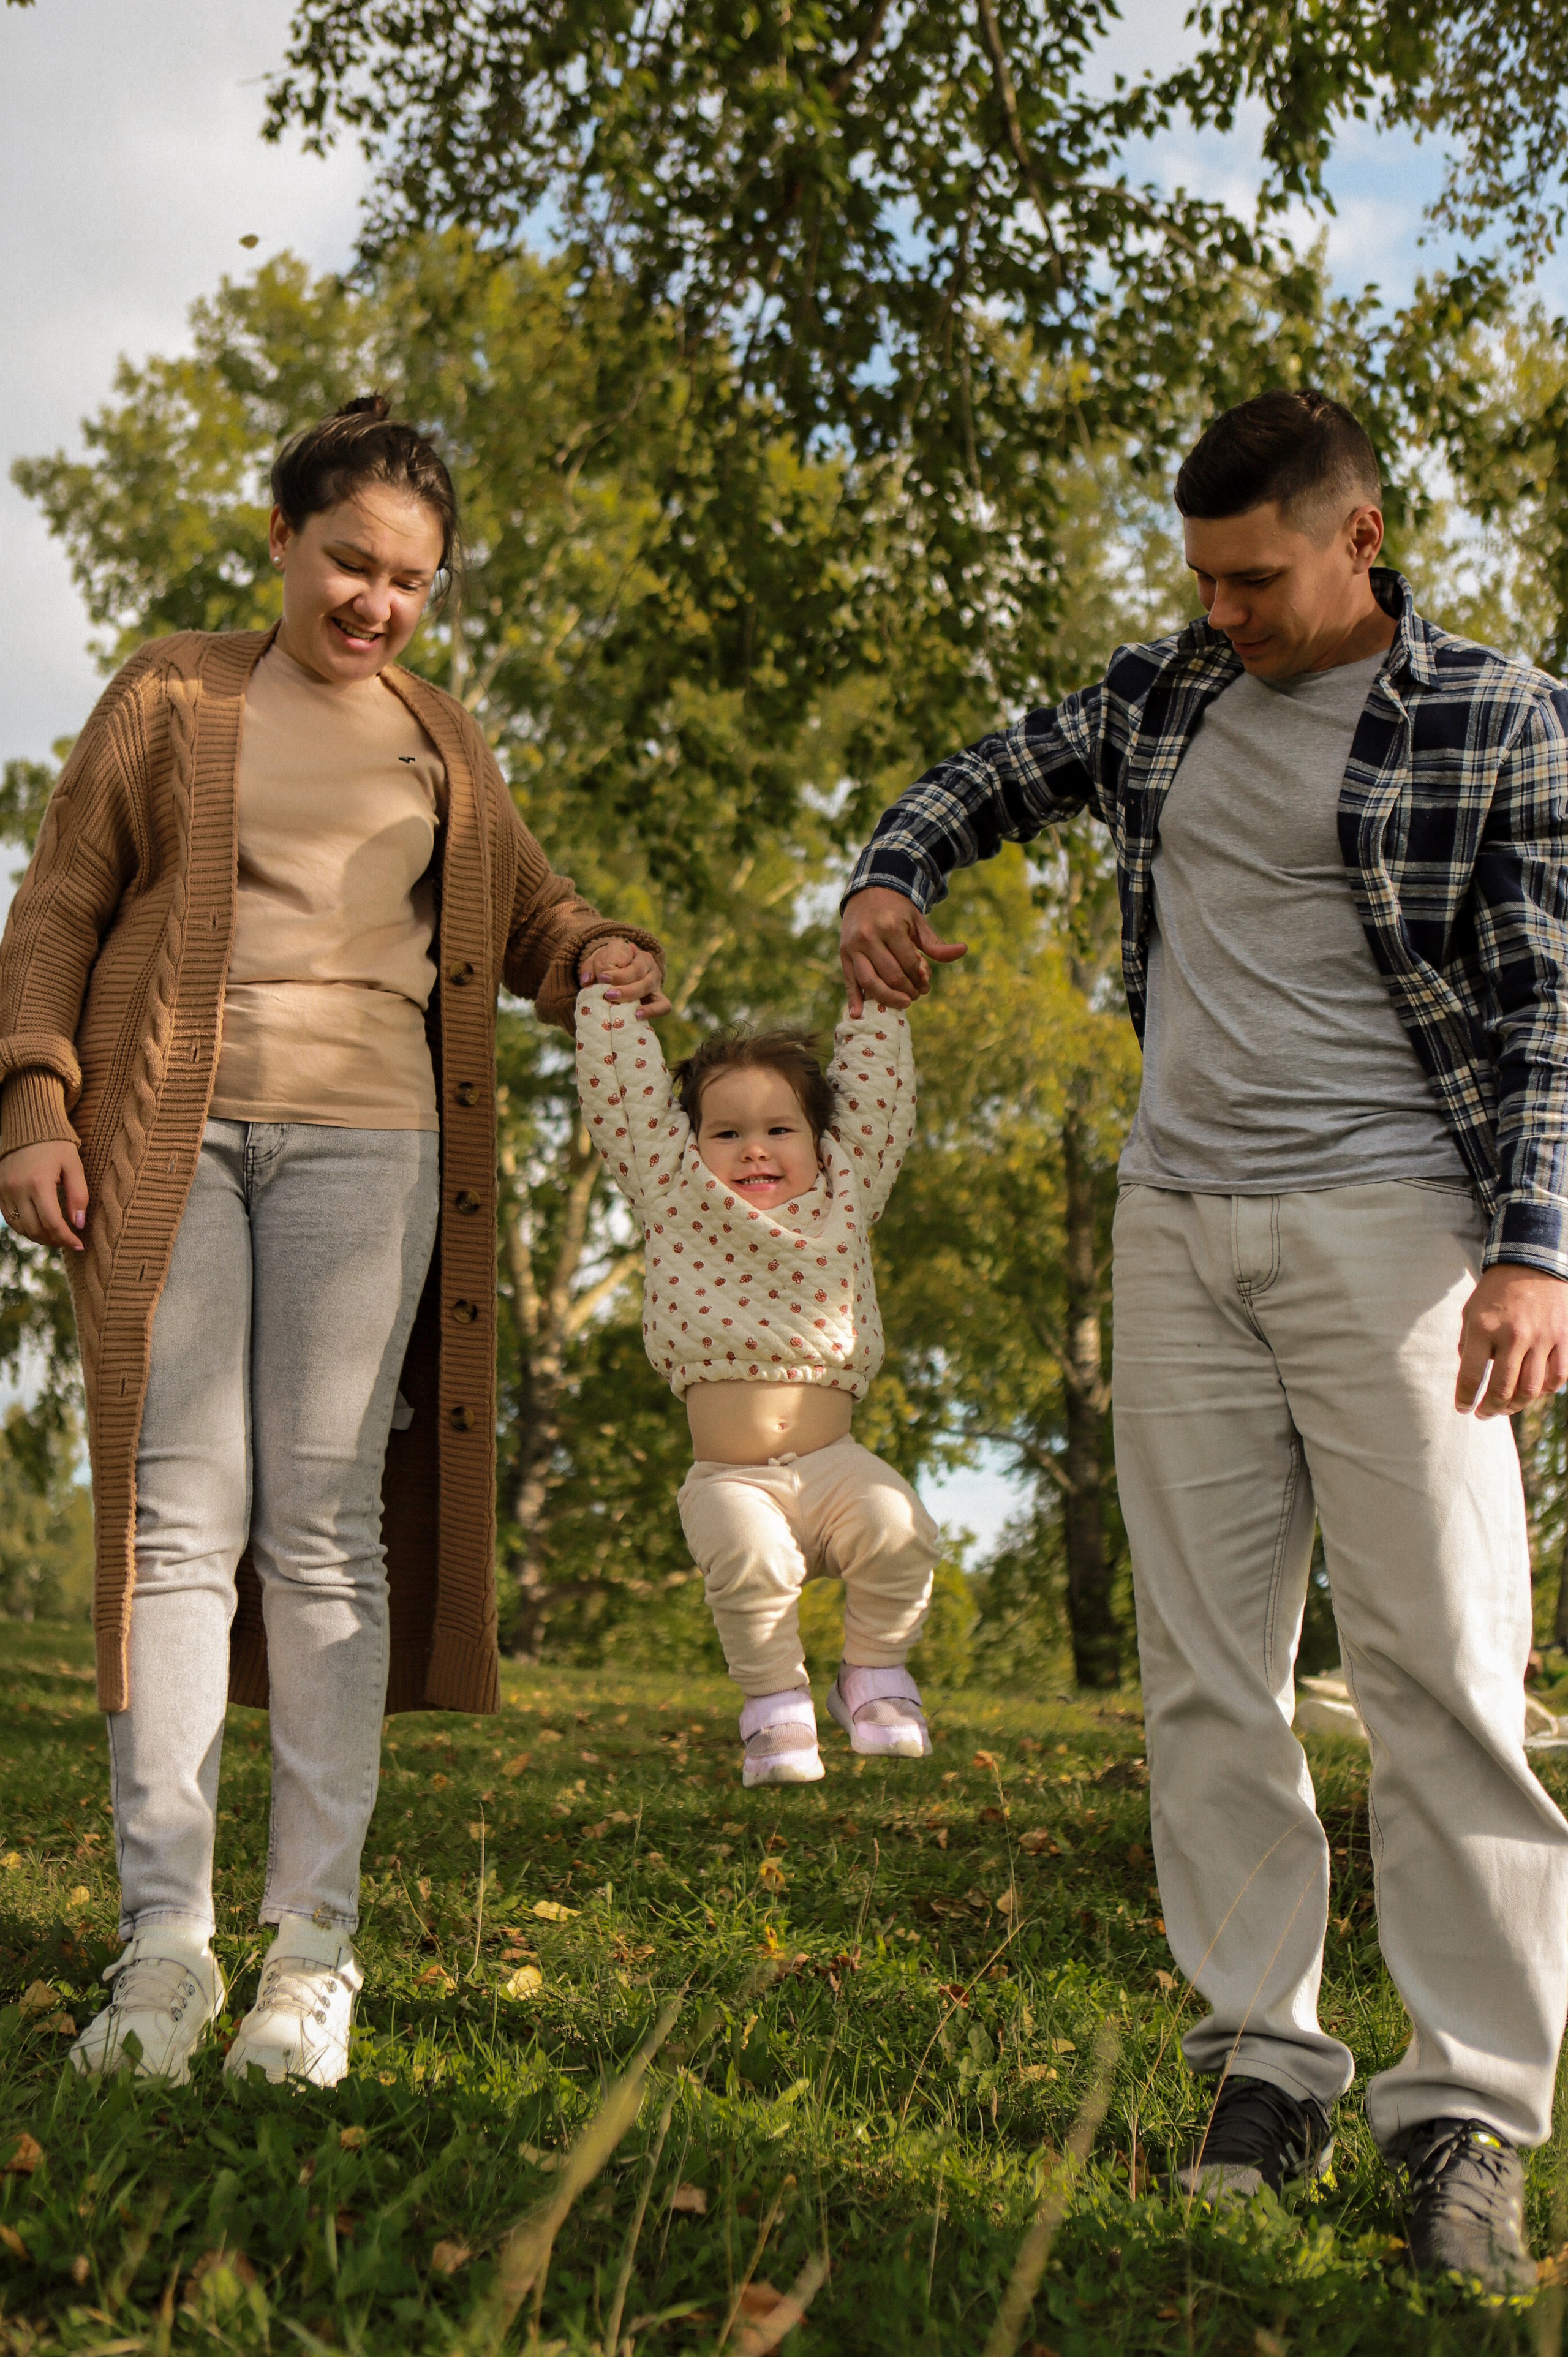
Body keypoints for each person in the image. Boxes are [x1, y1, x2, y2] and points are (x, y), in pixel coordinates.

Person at [837, 387, 1568, 2291]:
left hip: (1400, 1233)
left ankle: (1471, 2115)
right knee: (1209, 1681)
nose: (1223, 612)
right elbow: (986, 777)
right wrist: (890, 874)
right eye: (1205, 581)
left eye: (1256, 579)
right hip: (1177, 1227)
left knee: (1443, 1678)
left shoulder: (1499, 717)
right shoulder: (1162, 694)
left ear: (1359, 538)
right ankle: (1263, 2062)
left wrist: (1537, 1254)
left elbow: (1554, 1008)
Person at [0, 396, 665, 2089]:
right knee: (175, 1521)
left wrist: (596, 952)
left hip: (374, 1148)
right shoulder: (172, 693)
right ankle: (164, 1943)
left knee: (321, 1531)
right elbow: (62, 900)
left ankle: (311, 1953)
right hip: (169, 1133)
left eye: (411, 581)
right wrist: (33, 1102)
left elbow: (529, 907)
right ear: (282, 539)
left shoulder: (442, 737)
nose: (376, 602)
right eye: (350, 562)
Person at [575, 985, 939, 1782]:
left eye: (779, 1130)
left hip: (836, 1464)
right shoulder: (674, 1194)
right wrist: (609, 1001)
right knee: (750, 1562)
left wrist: (876, 998)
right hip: (731, 1477)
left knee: (899, 1527)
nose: (754, 1151)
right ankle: (775, 1709)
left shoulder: (847, 1193)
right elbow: (623, 1102)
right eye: (727, 1133)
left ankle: (873, 1676)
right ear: (689, 1144)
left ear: (822, 1142)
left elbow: (879, 1101)